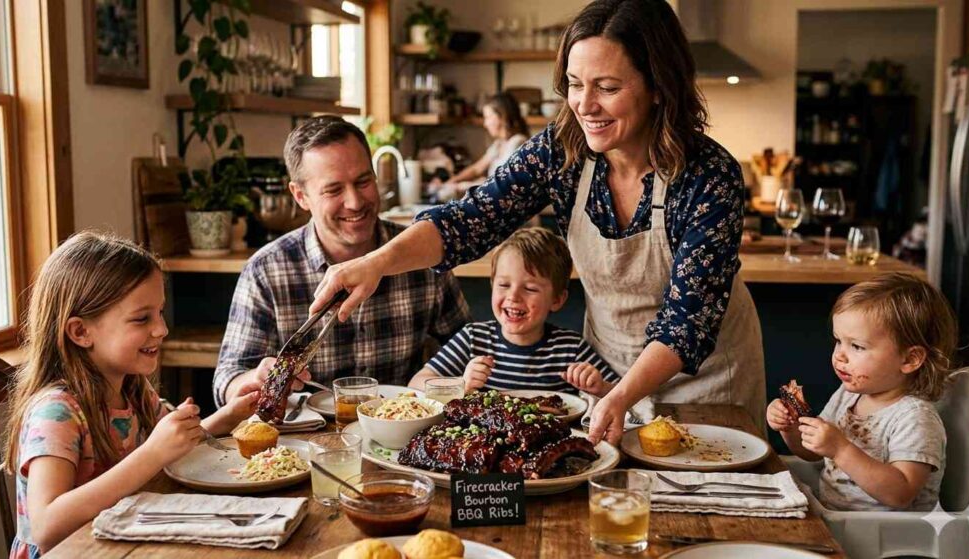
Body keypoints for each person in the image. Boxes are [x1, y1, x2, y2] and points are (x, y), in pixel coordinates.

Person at [310, 0, 765, 444]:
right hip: (602, 373)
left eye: (607, 87)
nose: (584, 105)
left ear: (658, 87)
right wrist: (375, 263)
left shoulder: (708, 174)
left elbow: (685, 325)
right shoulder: (562, 149)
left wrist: (625, 395)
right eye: (573, 84)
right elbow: (469, 221)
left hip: (703, 385)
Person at [2, 232, 260, 557]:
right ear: (81, 332)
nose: (162, 329)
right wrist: (152, 454)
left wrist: (231, 415)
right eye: (142, 318)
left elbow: (175, 444)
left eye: (160, 312)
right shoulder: (57, 411)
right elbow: (46, 527)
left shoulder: (132, 388)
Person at [214, 116, 471, 408]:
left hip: (399, 437)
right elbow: (228, 377)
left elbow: (466, 346)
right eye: (334, 190)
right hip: (302, 441)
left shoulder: (418, 252)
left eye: (363, 182)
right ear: (301, 196)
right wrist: (253, 379)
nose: (354, 202)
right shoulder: (267, 270)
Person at [768, 273, 957, 511]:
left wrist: (840, 449)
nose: (840, 355)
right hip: (836, 519)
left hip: (886, 536)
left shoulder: (915, 418)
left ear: (910, 359)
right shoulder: (848, 395)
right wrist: (790, 427)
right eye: (838, 341)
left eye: (856, 346)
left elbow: (901, 493)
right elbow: (813, 452)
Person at [409, 227, 618, 396]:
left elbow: (621, 394)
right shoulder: (473, 339)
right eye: (504, 285)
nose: (514, 296)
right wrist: (459, 385)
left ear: (556, 299)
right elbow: (415, 383)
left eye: (530, 289)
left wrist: (599, 387)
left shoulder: (570, 349)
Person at [428, 93, 530, 200]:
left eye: (488, 117)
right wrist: (450, 182)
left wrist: (463, 186)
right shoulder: (499, 144)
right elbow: (476, 169)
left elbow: (501, 183)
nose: (485, 124)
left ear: (502, 117)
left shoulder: (518, 142)